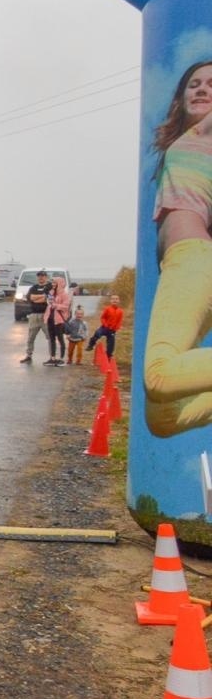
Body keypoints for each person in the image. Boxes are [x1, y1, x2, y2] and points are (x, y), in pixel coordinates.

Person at [146, 60, 212, 434]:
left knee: (161, 376)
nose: (201, 89)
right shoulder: (188, 142)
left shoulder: (207, 132)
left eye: (211, 84)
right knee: (163, 419)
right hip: (186, 270)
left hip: (192, 259)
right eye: (193, 84)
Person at [20, 270, 53, 364]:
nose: (41, 277)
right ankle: (28, 355)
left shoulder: (50, 287)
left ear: (46, 277)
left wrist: (38, 298)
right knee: (31, 337)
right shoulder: (33, 287)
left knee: (50, 337)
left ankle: (52, 356)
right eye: (39, 276)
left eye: (42, 276)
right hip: (34, 315)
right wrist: (42, 297)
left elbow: (48, 298)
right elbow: (30, 298)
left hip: (46, 315)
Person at [43, 276, 72, 366]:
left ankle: (62, 358)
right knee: (52, 339)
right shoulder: (52, 292)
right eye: (53, 283)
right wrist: (47, 293)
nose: (53, 284)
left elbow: (66, 306)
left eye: (55, 283)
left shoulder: (64, 294)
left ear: (60, 284)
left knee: (60, 339)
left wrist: (56, 305)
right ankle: (52, 358)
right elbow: (49, 302)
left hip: (59, 320)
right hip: (50, 318)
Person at [89, 294, 124, 362]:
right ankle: (91, 344)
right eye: (113, 299)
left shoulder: (120, 311)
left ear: (119, 301)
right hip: (105, 328)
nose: (115, 300)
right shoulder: (107, 309)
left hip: (112, 330)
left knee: (111, 344)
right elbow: (103, 317)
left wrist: (116, 328)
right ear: (110, 301)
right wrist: (105, 325)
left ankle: (108, 356)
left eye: (116, 299)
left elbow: (119, 321)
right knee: (97, 333)